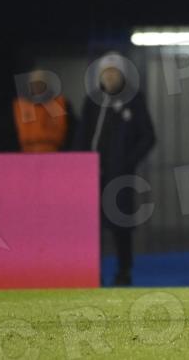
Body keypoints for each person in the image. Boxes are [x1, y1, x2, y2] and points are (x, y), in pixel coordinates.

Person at [73, 52, 155, 286]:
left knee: (121, 225)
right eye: (105, 73)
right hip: (91, 175)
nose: (109, 77)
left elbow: (148, 136)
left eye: (113, 72)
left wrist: (128, 162)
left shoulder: (134, 100)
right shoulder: (93, 101)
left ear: (121, 75)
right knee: (91, 226)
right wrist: (80, 164)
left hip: (120, 176)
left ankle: (124, 271)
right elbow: (82, 135)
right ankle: (91, 272)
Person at [13, 69, 74, 152]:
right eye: (34, 83)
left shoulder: (59, 105)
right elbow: (10, 133)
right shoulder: (21, 106)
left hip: (55, 153)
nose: (37, 87)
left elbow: (71, 133)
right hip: (25, 153)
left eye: (40, 83)